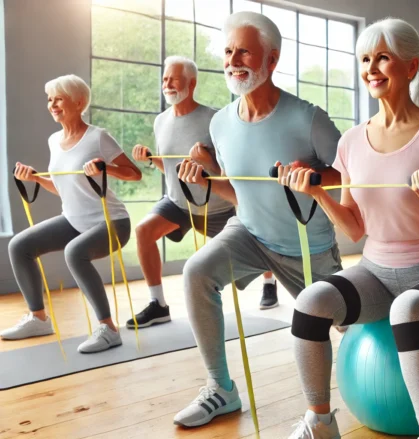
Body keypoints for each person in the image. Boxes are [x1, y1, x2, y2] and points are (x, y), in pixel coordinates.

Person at [284, 18, 419, 439]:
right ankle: (319, 422)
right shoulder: (351, 141)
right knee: (310, 302)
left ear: (410, 68)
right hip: (374, 272)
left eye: (382, 58)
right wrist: (319, 195)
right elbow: (354, 228)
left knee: (407, 309)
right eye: (365, 59)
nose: (371, 68)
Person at [172, 11, 343, 428]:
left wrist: (314, 177)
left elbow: (352, 177)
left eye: (244, 51)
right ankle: (221, 388)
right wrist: (210, 179)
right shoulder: (219, 123)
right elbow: (237, 191)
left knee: (352, 327)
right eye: (228, 51)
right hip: (249, 231)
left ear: (271, 59)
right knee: (196, 272)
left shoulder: (309, 117)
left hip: (308, 245)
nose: (233, 60)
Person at [1, 74, 142, 354]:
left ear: (79, 102)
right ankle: (39, 319)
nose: (52, 104)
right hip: (74, 221)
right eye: (50, 99)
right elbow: (66, 189)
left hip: (111, 222)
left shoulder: (98, 137)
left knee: (74, 253)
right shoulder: (54, 140)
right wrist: (37, 179)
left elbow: (135, 174)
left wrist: (106, 168)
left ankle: (108, 329)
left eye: (59, 98)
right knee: (20, 245)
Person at [128, 56, 237, 329]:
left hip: (218, 208)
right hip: (178, 205)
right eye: (165, 79)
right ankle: (158, 305)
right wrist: (149, 158)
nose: (167, 84)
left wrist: (208, 162)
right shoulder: (160, 121)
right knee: (143, 231)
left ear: (192, 83)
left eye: (173, 79)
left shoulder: (215, 119)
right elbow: (168, 166)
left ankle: (269, 284)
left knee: (258, 242)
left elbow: (229, 173)